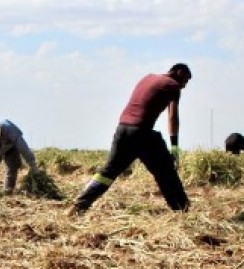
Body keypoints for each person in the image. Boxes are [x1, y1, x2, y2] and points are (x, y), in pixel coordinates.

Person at [67, 63, 193, 215]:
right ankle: (182, 210)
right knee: (166, 171)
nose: (184, 86)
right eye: (185, 81)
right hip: (142, 132)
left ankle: (79, 206)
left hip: (123, 129)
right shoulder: (172, 85)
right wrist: (174, 146)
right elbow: (173, 117)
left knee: (108, 172)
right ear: (179, 72)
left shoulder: (148, 77)